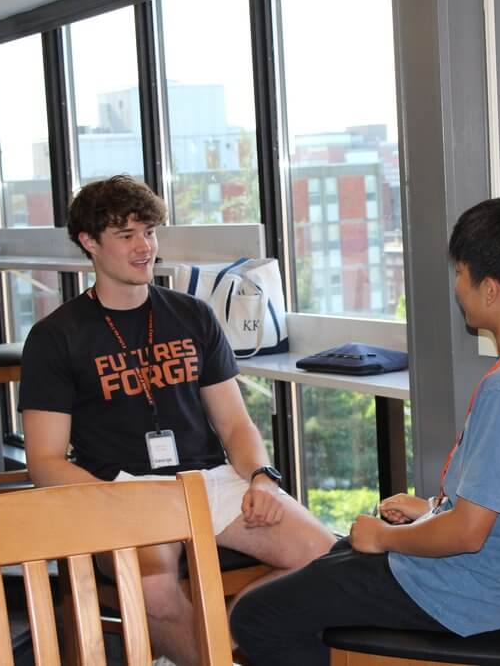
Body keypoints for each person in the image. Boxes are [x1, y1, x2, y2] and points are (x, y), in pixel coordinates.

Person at [230, 196, 500, 666]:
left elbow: (468, 534)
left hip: (472, 597)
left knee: (257, 615)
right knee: (338, 555)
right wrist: (431, 510)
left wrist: (387, 539)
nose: (457, 287)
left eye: (460, 274)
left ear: (489, 290)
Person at [18, 175, 335, 666]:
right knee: (157, 591)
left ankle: (220, 635)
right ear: (89, 243)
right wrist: (118, 503)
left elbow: (235, 425)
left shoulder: (193, 316)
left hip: (207, 479)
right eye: (126, 236)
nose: (145, 247)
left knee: (327, 557)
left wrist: (262, 479)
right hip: (121, 488)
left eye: (149, 231)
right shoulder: (55, 337)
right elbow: (44, 462)